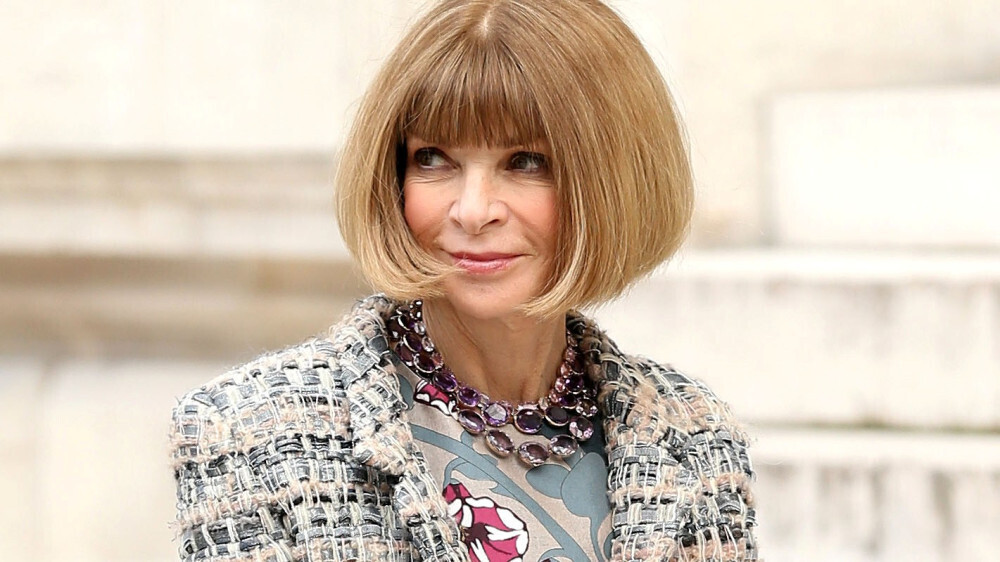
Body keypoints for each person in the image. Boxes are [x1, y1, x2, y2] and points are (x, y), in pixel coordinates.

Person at [169, 0, 757, 560]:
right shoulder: (250, 432)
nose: (473, 211)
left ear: (614, 183)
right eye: (433, 158)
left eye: (526, 162)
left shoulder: (695, 439)